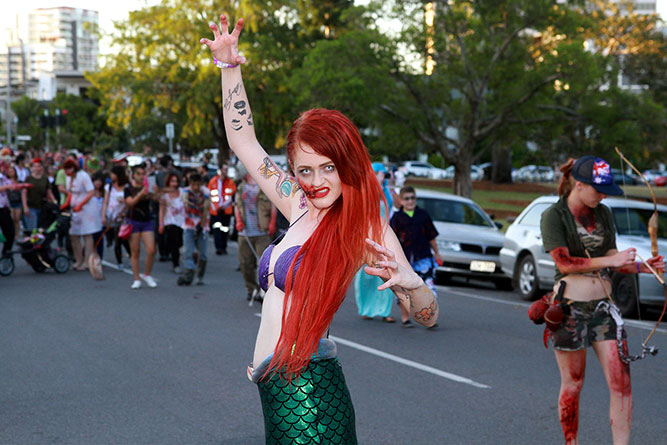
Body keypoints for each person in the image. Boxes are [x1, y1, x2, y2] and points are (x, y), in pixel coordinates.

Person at [201, 16, 438, 443]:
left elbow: (429, 317)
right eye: (304, 168)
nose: (317, 180)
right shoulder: (298, 203)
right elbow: (244, 143)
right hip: (279, 392)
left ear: (347, 163)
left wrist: (412, 283)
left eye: (329, 167)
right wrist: (229, 68)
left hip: (309, 396)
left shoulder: (362, 226)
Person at [539, 156, 664, 445]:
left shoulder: (603, 214)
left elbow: (613, 260)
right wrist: (613, 259)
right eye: (598, 189)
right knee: (574, 383)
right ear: (579, 185)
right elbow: (565, 263)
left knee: (622, 383)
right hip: (570, 309)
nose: (603, 195)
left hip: (604, 309)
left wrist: (642, 267)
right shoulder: (554, 216)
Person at [390, 186, 443, 327]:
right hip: (404, 258)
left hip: (423, 257)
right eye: (406, 199)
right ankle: (405, 317)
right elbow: (391, 239)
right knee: (404, 289)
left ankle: (430, 318)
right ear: (401, 201)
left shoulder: (423, 215)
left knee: (428, 287)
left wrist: (437, 253)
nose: (410, 201)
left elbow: (431, 236)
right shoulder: (397, 218)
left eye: (412, 198)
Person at [353, 162, 396, 323]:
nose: (384, 176)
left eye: (384, 174)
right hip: (367, 238)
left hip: (384, 238)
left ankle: (385, 311)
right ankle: (365, 309)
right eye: (381, 173)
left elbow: (392, 210)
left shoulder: (387, 192)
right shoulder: (364, 192)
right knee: (366, 275)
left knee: (387, 272)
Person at [234, 163, 276, 301]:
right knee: (245, 263)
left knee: (264, 264)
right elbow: (237, 206)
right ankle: (251, 288)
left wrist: (272, 223)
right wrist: (238, 221)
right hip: (245, 233)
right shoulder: (240, 188)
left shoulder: (264, 186)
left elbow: (273, 205)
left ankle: (264, 291)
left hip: (261, 233)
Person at [124, 164, 158, 289]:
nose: (141, 176)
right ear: (133, 175)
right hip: (133, 221)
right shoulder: (128, 188)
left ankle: (147, 274)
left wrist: (155, 191)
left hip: (146, 220)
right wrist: (141, 193)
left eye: (143, 174)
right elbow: (130, 203)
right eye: (138, 174)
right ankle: (136, 278)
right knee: (135, 251)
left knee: (151, 250)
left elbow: (156, 199)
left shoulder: (147, 187)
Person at [63, 159, 99, 271]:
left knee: (87, 235)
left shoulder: (83, 176)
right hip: (75, 209)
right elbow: (70, 192)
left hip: (86, 209)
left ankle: (87, 261)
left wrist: (81, 204)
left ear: (72, 168)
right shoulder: (69, 178)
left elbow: (91, 192)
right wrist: (66, 204)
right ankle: (78, 260)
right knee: (74, 235)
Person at [177, 173, 210, 285]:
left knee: (203, 254)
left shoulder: (206, 193)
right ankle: (188, 275)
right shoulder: (185, 192)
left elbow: (206, 209)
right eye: (193, 185)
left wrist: (201, 225)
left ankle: (200, 276)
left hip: (202, 226)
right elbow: (186, 204)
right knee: (188, 251)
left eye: (198, 185)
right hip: (189, 225)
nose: (195, 187)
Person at [103, 165, 131, 270]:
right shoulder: (109, 187)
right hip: (112, 216)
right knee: (117, 240)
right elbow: (105, 202)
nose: (111, 176)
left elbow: (131, 201)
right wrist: (103, 216)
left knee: (124, 239)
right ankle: (119, 261)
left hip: (124, 217)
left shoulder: (127, 187)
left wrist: (124, 204)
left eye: (113, 174)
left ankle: (131, 256)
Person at [158, 172, 185, 274]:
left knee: (180, 242)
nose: (174, 183)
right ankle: (176, 263)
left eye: (176, 181)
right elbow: (161, 209)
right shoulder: (164, 195)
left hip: (182, 221)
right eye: (172, 181)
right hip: (170, 221)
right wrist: (161, 224)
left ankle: (180, 256)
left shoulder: (182, 192)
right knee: (173, 241)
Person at [207, 162, 236, 255]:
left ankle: (223, 246)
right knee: (216, 229)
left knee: (225, 229)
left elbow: (232, 195)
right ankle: (218, 247)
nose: (225, 172)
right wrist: (214, 207)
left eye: (226, 170)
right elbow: (209, 196)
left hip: (226, 210)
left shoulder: (230, 182)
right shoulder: (213, 181)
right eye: (224, 169)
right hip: (215, 211)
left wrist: (223, 205)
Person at [21, 158, 55, 230]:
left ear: (41, 167)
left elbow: (49, 192)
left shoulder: (45, 178)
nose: (37, 168)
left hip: (42, 206)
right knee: (33, 228)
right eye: (35, 166)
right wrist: (25, 207)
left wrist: (54, 202)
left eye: (39, 166)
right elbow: (24, 193)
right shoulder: (28, 178)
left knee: (41, 228)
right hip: (31, 206)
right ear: (32, 168)